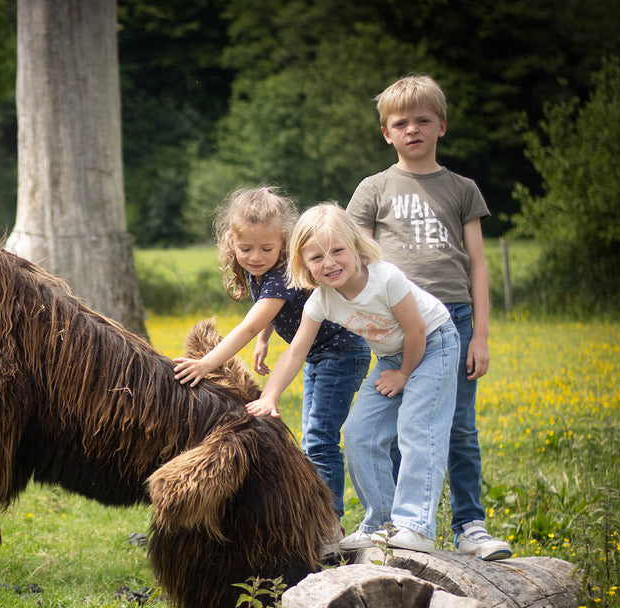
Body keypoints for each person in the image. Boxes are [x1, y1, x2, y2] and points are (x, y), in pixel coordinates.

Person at [347, 73, 512, 561]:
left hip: (453, 322)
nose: (412, 129)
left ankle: (470, 526)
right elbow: (357, 263)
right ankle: (397, 525)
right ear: (386, 132)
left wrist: (481, 336)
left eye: (422, 120)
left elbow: (477, 265)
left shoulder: (462, 189)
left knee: (458, 427)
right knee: (399, 426)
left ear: (442, 125)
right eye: (400, 123)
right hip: (397, 324)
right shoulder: (373, 189)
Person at [245, 203, 458, 553]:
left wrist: (404, 374)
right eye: (316, 257)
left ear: (356, 247)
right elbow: (296, 352)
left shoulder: (385, 278)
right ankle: (381, 524)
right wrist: (269, 396)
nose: (329, 263)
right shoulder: (321, 301)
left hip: (434, 344)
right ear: (302, 263)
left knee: (416, 426)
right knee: (359, 433)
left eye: (338, 251)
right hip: (392, 357)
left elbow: (416, 330)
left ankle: (416, 526)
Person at [173, 187, 370, 521]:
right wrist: (265, 340)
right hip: (316, 354)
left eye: (266, 248)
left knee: (319, 438)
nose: (256, 257)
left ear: (283, 242)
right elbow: (270, 315)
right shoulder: (262, 272)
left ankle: (329, 521)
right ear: (231, 242)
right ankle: (321, 516)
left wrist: (207, 363)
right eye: (246, 248)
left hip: (341, 353)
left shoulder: (280, 275)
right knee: (313, 436)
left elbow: (250, 324)